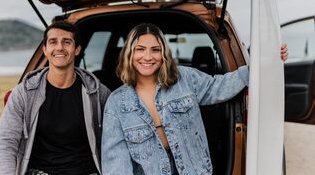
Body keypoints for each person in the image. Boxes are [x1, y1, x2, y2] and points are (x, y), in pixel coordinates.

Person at [101, 23, 288, 175]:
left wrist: (264, 61)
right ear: (129, 54)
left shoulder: (185, 78)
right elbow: (116, 164)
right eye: (140, 49)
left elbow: (220, 87)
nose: (148, 57)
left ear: (163, 54)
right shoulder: (116, 103)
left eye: (155, 50)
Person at [0, 21, 111, 175]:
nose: (59, 47)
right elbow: (6, 143)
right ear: (45, 49)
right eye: (53, 42)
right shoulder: (24, 93)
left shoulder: (97, 93)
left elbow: (114, 144)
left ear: (77, 49)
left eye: (67, 42)